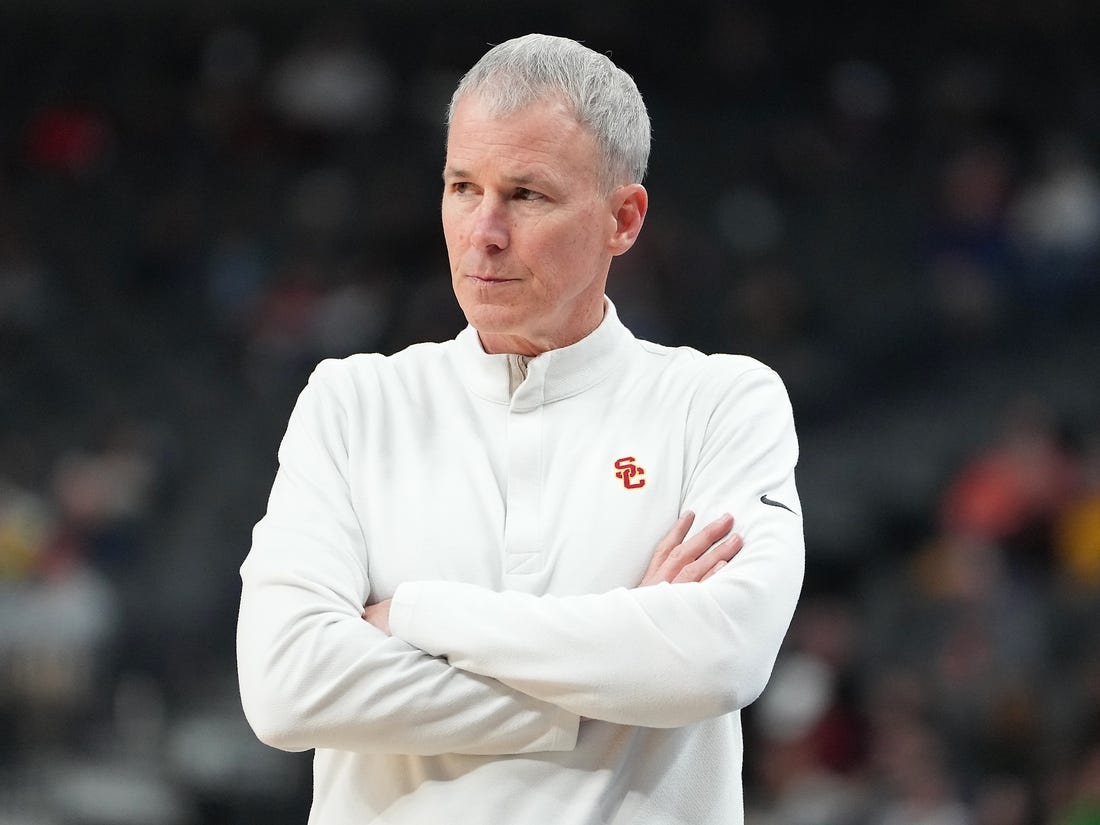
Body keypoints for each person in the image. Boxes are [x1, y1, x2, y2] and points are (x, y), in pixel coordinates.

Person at [237, 32, 805, 825]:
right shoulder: (353, 402)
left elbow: (715, 660)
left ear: (624, 218)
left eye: (527, 195)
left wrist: (414, 617)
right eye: (463, 187)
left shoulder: (720, 402)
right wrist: (607, 683)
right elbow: (286, 686)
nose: (483, 232)